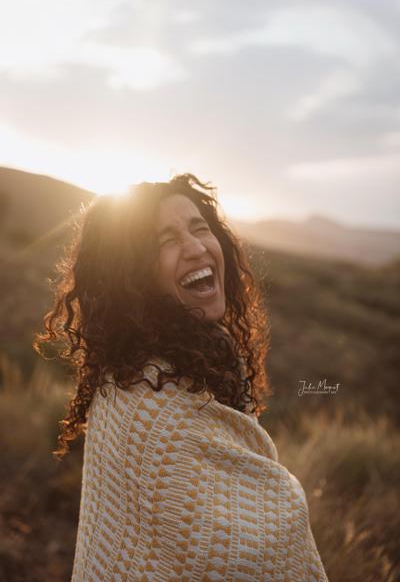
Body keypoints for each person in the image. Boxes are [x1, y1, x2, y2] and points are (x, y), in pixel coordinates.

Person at [34, 173, 329, 581]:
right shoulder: (148, 402)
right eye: (165, 241)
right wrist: (286, 500)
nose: (195, 248)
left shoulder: (196, 362)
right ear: (133, 275)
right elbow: (260, 550)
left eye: (200, 228)